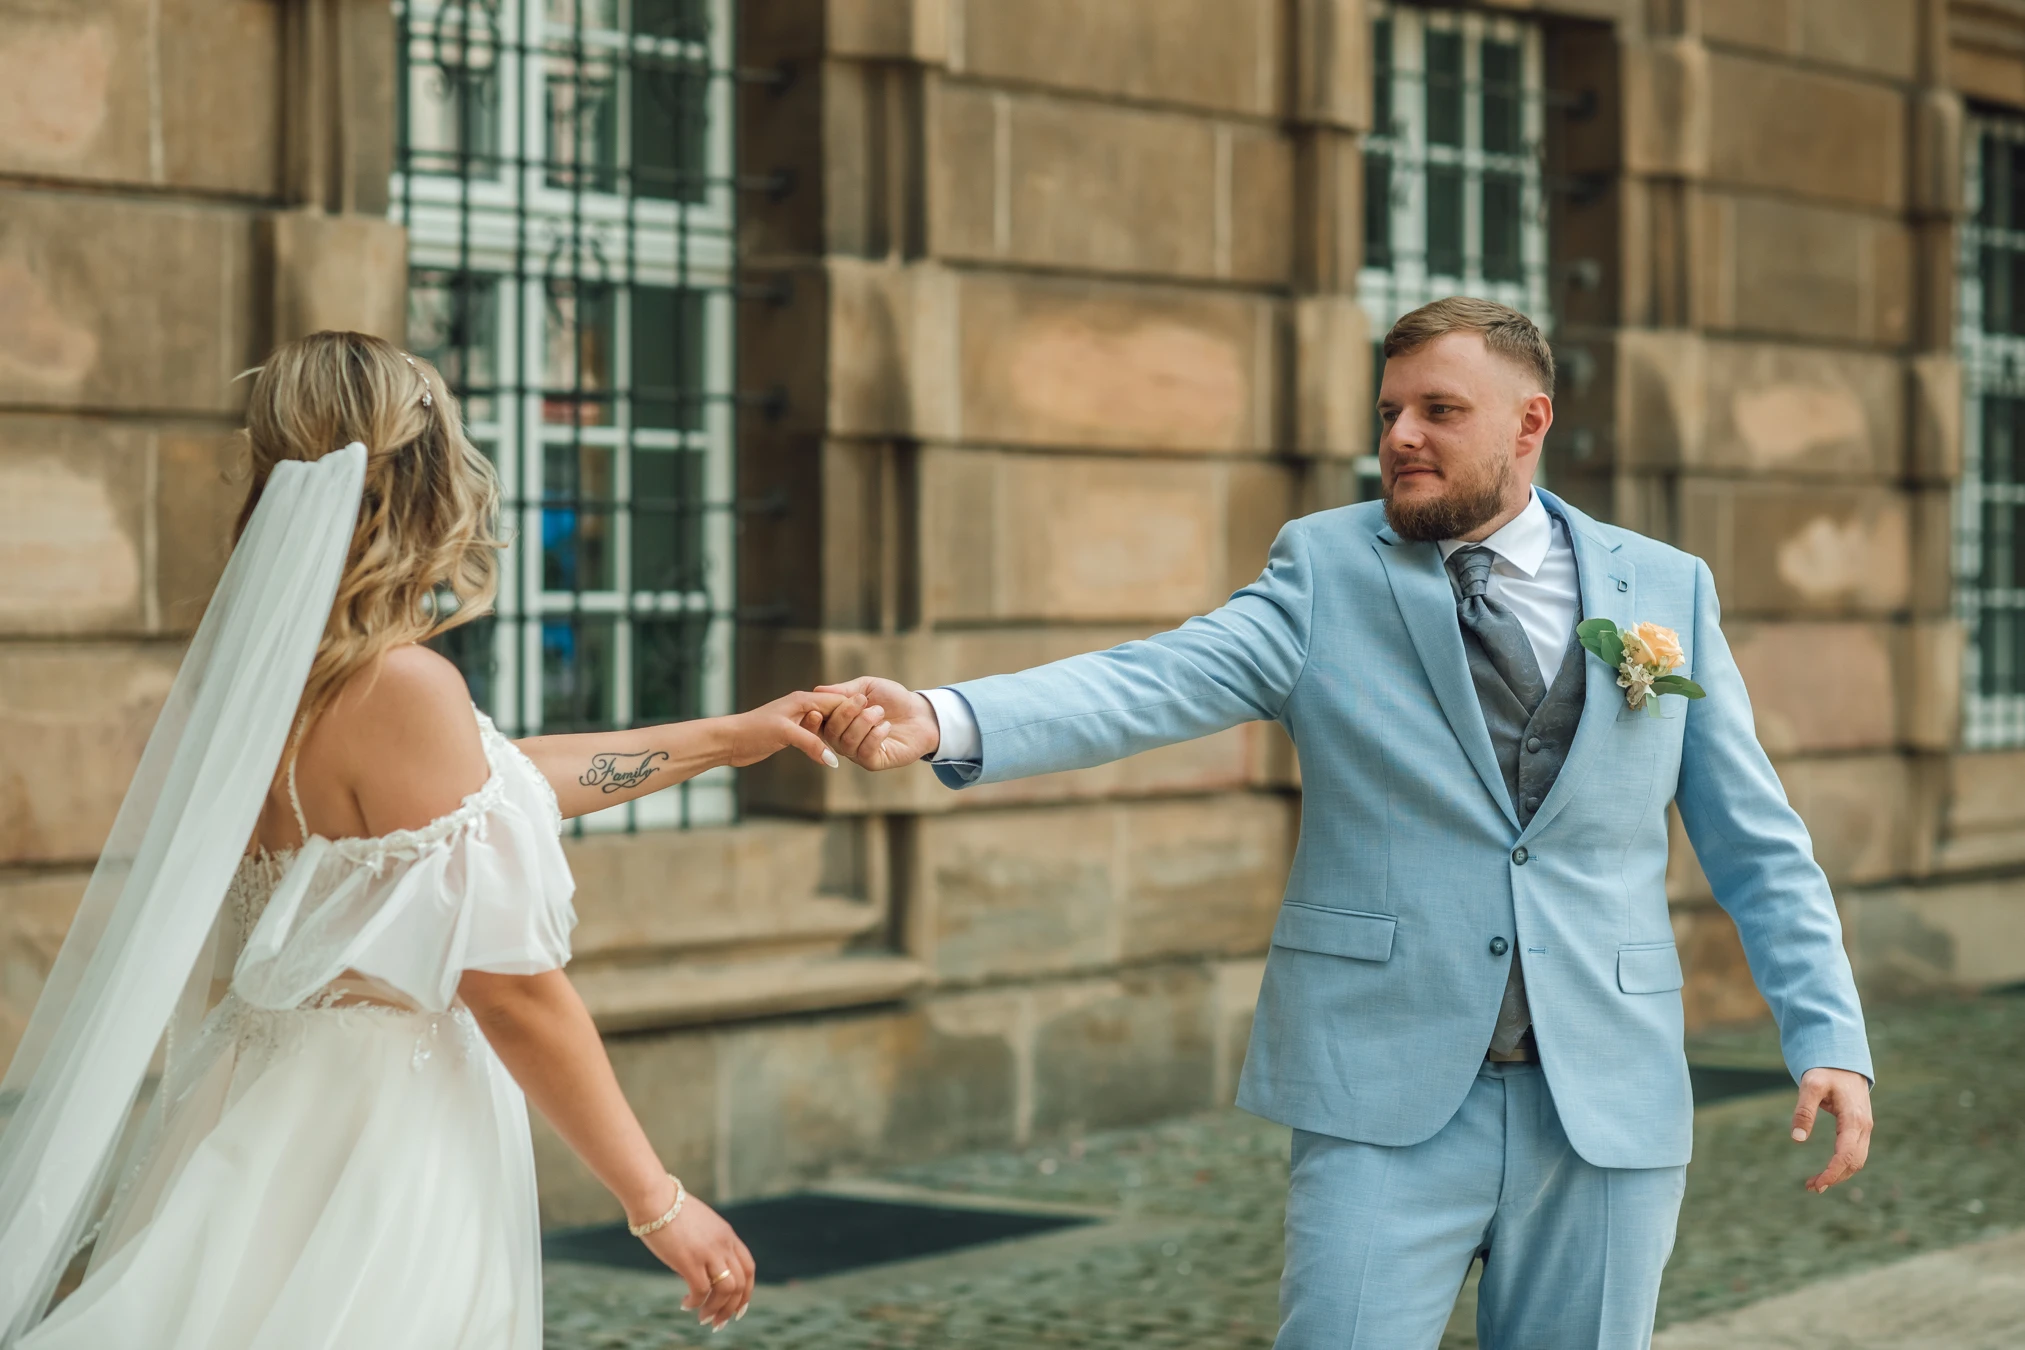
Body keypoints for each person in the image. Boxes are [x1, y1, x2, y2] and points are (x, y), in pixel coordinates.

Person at [814, 297, 1876, 1348]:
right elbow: (1153, 680)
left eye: (1438, 410)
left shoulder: (1667, 588)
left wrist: (1827, 1034)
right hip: (1385, 1092)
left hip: (1607, 1097)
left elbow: (1758, 843)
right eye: (1389, 412)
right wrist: (945, 717)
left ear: (1530, 423)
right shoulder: (1326, 569)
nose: (1401, 437)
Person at [0, 332, 856, 1348]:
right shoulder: (400, 688)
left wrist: (729, 737)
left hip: (256, 1106)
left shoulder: (262, 676)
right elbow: (517, 994)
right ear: (425, 478)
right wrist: (660, 1204)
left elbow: (492, 790)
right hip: (378, 1146)